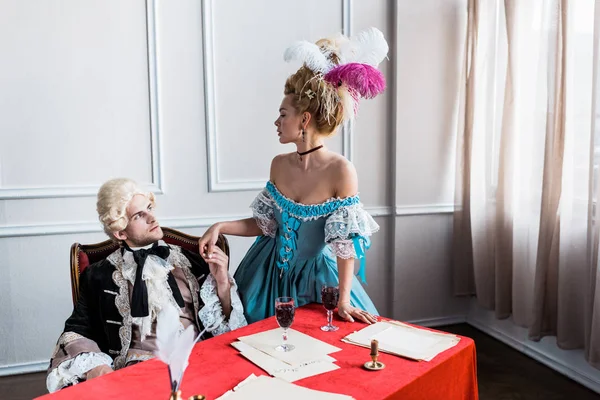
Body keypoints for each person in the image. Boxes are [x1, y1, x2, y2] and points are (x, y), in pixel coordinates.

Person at [199, 28, 388, 324]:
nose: (277, 121)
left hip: (316, 281)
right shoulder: (278, 165)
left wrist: (343, 299)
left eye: (283, 113)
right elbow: (267, 225)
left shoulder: (341, 171)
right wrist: (220, 226)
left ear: (304, 119)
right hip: (266, 274)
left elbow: (346, 245)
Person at [46, 178, 247, 392]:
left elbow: (227, 330)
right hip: (137, 375)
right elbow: (76, 331)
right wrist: (97, 367)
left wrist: (222, 282)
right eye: (139, 215)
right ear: (121, 232)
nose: (152, 218)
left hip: (196, 365)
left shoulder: (192, 261)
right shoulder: (98, 275)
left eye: (149, 208)